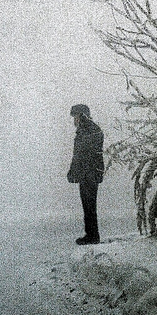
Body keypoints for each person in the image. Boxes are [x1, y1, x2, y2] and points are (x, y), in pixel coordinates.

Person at [67, 103, 105, 244]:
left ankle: (92, 236)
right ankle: (91, 234)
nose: (74, 121)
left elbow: (81, 154)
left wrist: (74, 171)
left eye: (75, 117)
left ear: (81, 116)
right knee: (89, 205)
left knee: (88, 205)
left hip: (88, 173)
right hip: (90, 172)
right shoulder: (92, 129)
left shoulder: (87, 130)